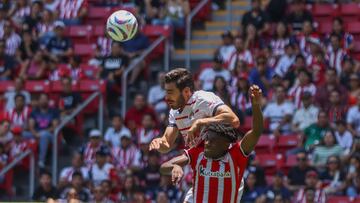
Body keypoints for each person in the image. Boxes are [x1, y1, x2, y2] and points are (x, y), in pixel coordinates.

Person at [159, 85, 263, 203]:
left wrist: (255, 105)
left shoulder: (236, 155)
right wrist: (175, 166)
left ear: (225, 143)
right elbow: (163, 167)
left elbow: (257, 131)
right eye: (207, 138)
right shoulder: (198, 153)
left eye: (212, 141)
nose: (207, 143)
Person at [149, 68, 240, 152]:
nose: (166, 98)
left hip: (223, 160)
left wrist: (200, 122)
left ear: (186, 91)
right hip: (200, 164)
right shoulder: (174, 112)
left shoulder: (204, 99)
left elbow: (234, 120)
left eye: (171, 93)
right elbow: (167, 144)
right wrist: (159, 143)